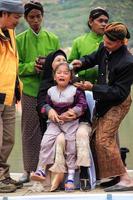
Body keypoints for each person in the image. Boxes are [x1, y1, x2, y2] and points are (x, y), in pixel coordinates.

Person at [71, 22, 133, 192]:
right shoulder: (104, 46)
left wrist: (93, 88)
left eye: (110, 43)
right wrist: (81, 63)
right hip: (104, 99)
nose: (105, 45)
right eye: (104, 41)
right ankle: (115, 176)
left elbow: (119, 92)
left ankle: (126, 179)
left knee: (104, 139)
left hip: (118, 102)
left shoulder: (128, 62)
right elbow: (92, 58)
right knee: (96, 138)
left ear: (121, 42)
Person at [16, 1, 60, 184]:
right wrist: (31, 67)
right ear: (26, 19)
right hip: (29, 91)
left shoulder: (53, 38)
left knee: (51, 130)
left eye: (38, 16)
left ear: (43, 16)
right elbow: (16, 67)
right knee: (29, 132)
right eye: (32, 17)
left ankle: (50, 169)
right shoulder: (19, 40)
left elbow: (59, 62)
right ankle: (29, 170)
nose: (36, 20)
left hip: (50, 91)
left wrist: (49, 67)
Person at [37, 50, 92, 192]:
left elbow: (83, 105)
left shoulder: (75, 87)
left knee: (76, 141)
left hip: (74, 123)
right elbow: (42, 105)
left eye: (64, 61)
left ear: (70, 74)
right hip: (55, 124)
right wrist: (49, 110)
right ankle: (43, 171)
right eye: (58, 61)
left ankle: (78, 174)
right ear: (53, 71)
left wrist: (74, 113)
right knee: (50, 141)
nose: (62, 66)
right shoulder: (48, 89)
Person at [68, 7, 109, 187]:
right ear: (90, 22)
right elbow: (72, 66)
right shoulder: (79, 41)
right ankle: (89, 171)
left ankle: (107, 172)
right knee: (86, 131)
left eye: (106, 21)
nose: (104, 24)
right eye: (100, 20)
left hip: (106, 93)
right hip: (84, 93)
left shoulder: (111, 41)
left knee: (106, 133)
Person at [0, 0, 24, 193]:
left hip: (9, 94)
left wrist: (17, 88)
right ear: (4, 14)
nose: (18, 21)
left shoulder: (10, 33)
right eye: (16, 17)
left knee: (8, 139)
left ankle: (3, 175)